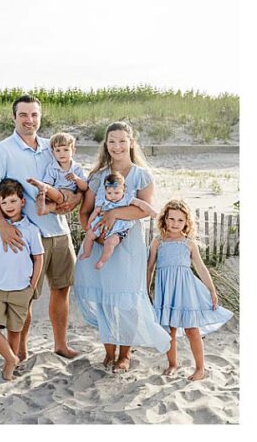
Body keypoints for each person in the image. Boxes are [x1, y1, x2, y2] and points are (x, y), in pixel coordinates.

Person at [0, 95, 81, 360]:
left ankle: (60, 344)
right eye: (24, 115)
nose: (29, 120)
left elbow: (75, 183)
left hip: (59, 231)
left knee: (62, 290)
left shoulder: (54, 146)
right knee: (24, 295)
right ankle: (21, 349)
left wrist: (72, 199)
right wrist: (2, 226)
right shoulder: (2, 150)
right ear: (14, 117)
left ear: (40, 117)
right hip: (25, 235)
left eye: (34, 115)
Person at [73, 121, 170, 372]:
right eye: (112, 141)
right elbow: (85, 211)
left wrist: (114, 214)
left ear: (131, 142)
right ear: (106, 145)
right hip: (101, 243)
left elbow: (144, 211)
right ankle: (109, 351)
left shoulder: (142, 175)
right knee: (105, 299)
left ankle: (124, 353)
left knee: (127, 299)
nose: (117, 146)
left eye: (122, 140)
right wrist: (94, 234)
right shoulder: (97, 176)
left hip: (129, 245)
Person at [148, 199, 233, 380]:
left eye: (180, 220)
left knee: (191, 329)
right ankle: (172, 364)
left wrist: (212, 290)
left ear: (187, 222)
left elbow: (201, 268)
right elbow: (149, 267)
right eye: (171, 219)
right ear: (164, 219)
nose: (175, 224)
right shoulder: (158, 241)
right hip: (166, 292)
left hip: (186, 291)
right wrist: (146, 289)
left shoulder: (188, 243)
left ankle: (200, 368)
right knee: (169, 329)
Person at [0, 179, 43, 380]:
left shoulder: (31, 230)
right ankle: (10, 358)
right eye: (4, 202)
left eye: (13, 201)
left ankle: (10, 365)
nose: (9, 206)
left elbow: (38, 257)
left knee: (15, 330)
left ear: (22, 202)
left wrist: (32, 285)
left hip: (21, 289)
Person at [79, 172, 158, 269]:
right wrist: (89, 225)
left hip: (119, 228)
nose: (112, 196)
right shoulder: (103, 200)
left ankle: (102, 261)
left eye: (116, 193)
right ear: (105, 191)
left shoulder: (127, 199)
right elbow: (95, 212)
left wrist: (151, 211)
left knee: (110, 243)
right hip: (101, 224)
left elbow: (141, 204)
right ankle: (87, 252)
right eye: (109, 193)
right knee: (89, 235)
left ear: (124, 190)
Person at [26, 132, 87, 216]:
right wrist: (47, 189)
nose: (61, 153)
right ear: (53, 153)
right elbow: (49, 182)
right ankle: (43, 201)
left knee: (58, 199)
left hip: (68, 196)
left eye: (66, 150)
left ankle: (42, 192)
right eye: (58, 150)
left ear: (73, 151)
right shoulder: (52, 167)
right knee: (53, 198)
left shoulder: (77, 168)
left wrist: (76, 179)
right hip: (56, 195)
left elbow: (84, 187)